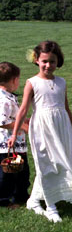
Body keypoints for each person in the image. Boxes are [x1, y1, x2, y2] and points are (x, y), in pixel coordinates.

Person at [8, 41, 72, 223]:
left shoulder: (61, 82)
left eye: (52, 61)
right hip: (43, 129)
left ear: (57, 62)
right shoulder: (33, 83)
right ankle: (50, 205)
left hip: (62, 128)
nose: (48, 65)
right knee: (47, 163)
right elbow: (22, 111)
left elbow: (66, 108)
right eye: (44, 61)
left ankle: (34, 200)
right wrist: (14, 134)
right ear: (36, 60)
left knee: (62, 161)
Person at [0, 62, 30, 209]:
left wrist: (25, 120)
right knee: (7, 175)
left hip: (18, 143)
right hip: (8, 145)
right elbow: (2, 121)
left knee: (22, 172)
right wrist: (22, 126)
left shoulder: (9, 97)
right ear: (13, 80)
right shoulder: (3, 100)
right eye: (18, 79)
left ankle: (21, 195)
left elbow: (14, 115)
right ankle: (4, 199)